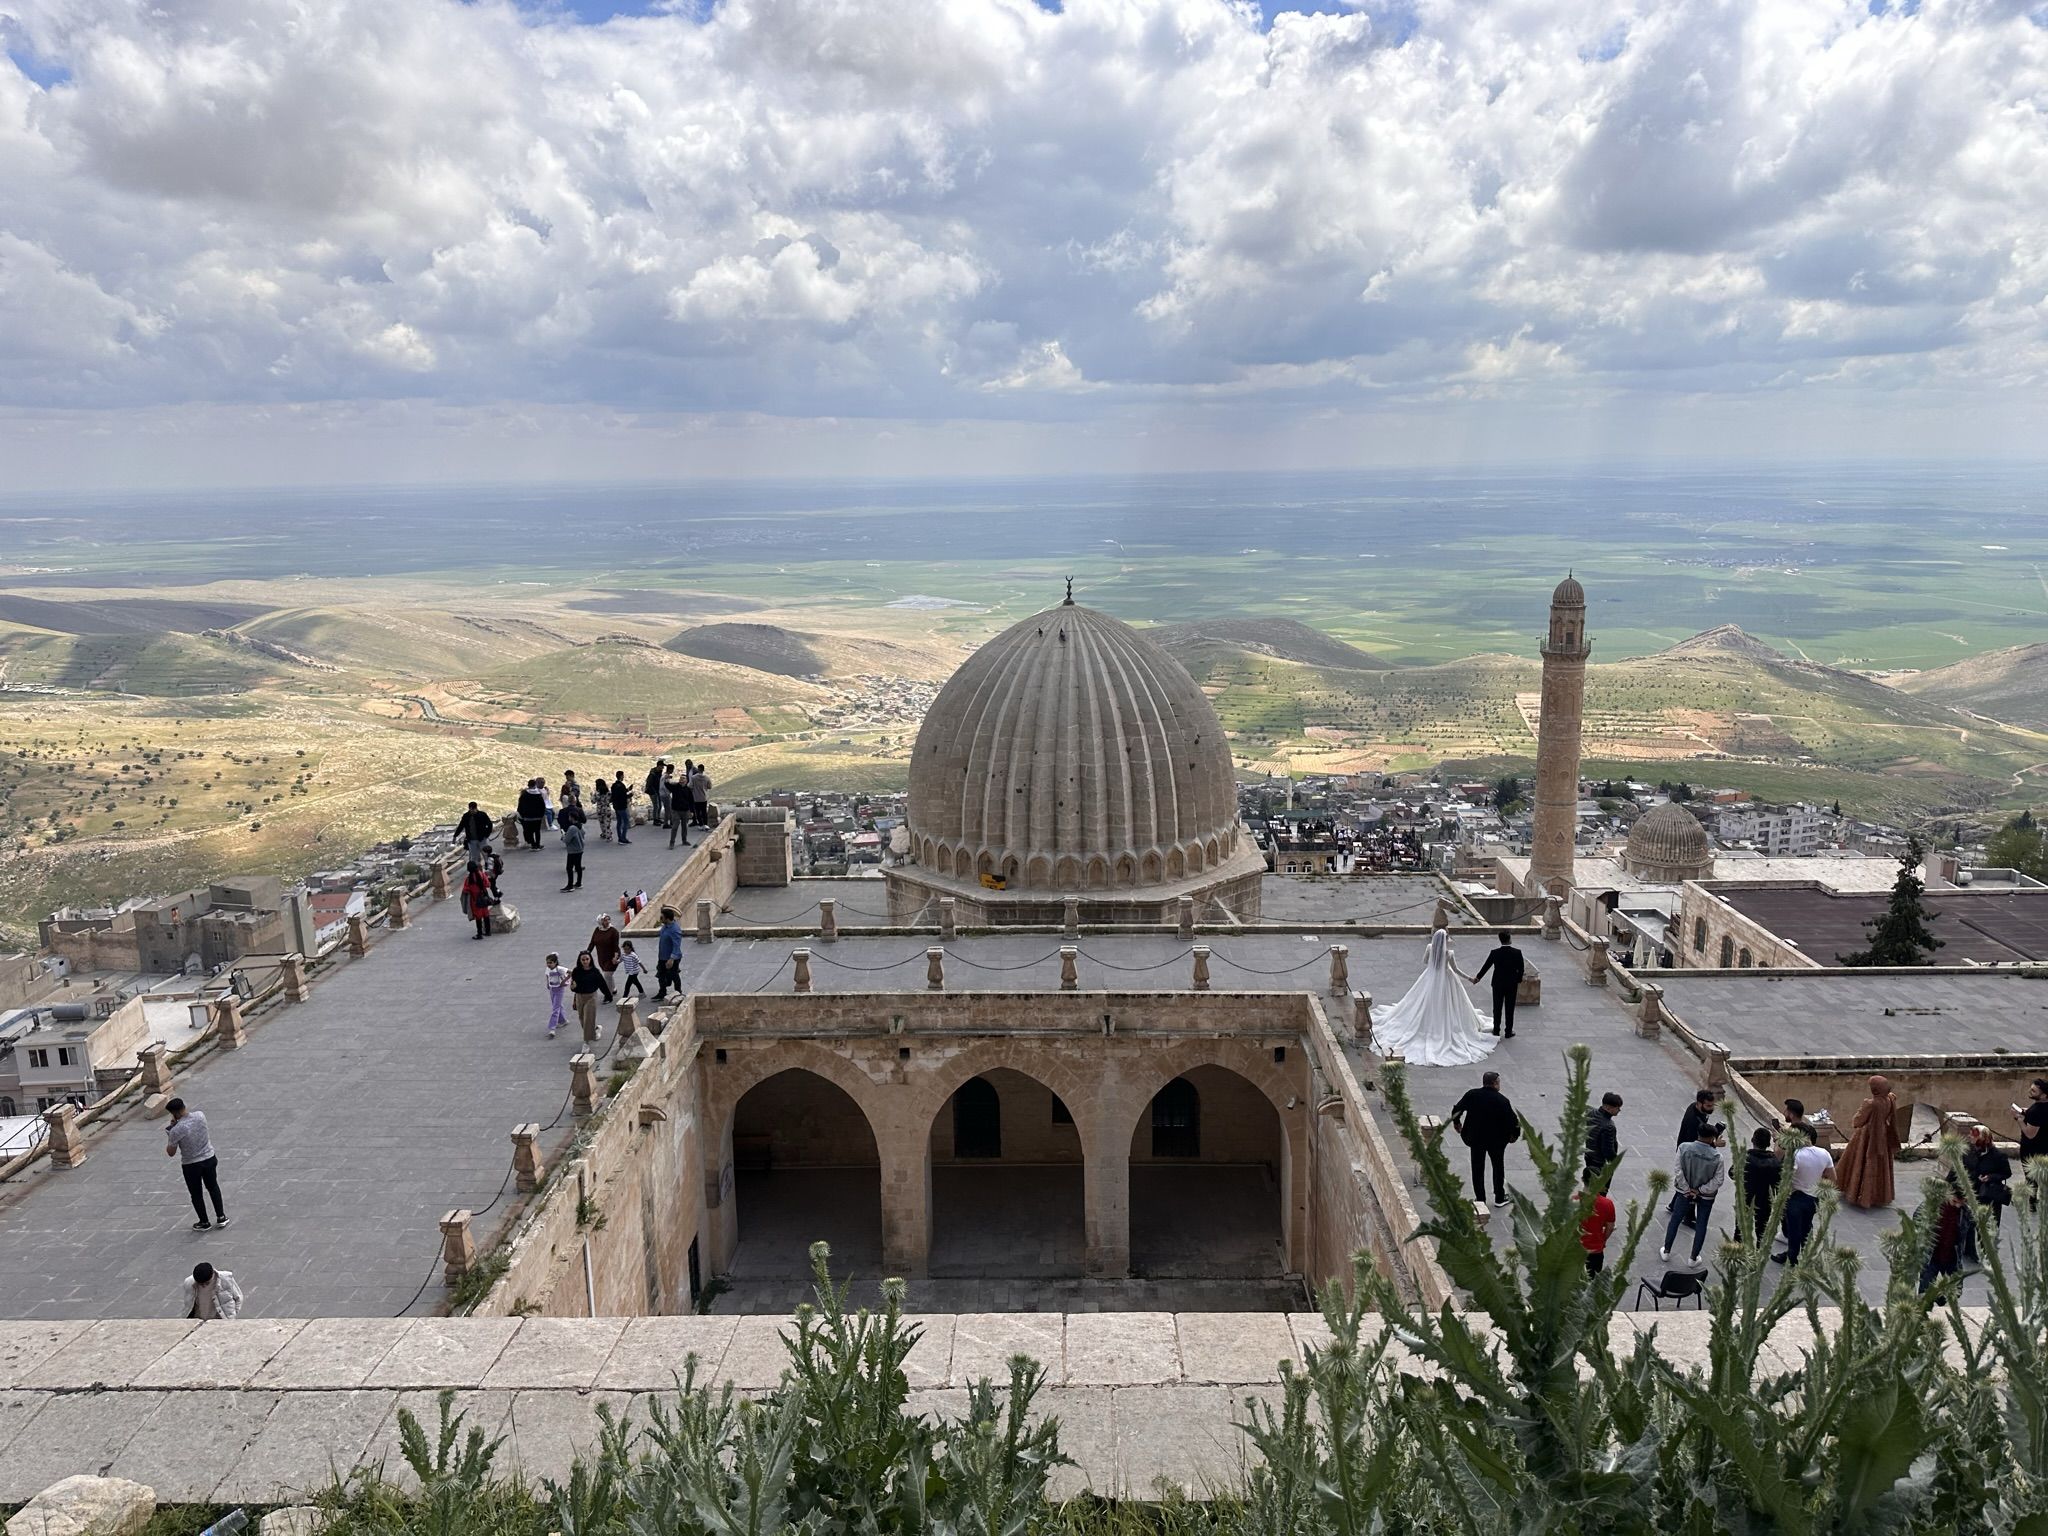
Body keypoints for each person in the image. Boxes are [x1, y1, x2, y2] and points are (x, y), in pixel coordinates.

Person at [1372, 930, 1498, 1067]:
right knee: (1449, 1005)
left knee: (1422, 1003)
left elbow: (1425, 961)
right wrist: (1470, 978)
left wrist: (1434, 963)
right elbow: (1456, 970)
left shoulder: (1429, 948)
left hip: (1429, 978)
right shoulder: (1449, 954)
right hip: (1447, 980)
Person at [1450, 1069, 1519, 1207]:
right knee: (1498, 1167)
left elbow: (1457, 1109)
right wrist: (1514, 1135)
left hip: (1476, 1139)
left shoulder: (1472, 1095)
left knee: (1477, 1168)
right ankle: (1499, 1197)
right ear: (1495, 1083)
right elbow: (1513, 1121)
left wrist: (1457, 1123)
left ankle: (1480, 1199)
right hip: (1497, 1141)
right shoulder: (1502, 1100)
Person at [1661, 1121, 1727, 1265]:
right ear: (1712, 1138)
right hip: (1706, 1196)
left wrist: (1686, 1189)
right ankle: (1693, 1257)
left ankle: (1666, 1250)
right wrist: (1701, 1190)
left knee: (1675, 1220)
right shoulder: (1717, 1157)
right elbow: (1718, 1180)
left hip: (1684, 1193)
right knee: (1701, 1225)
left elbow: (1678, 1171)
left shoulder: (1683, 1148)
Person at [1836, 1074, 1901, 1209]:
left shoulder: (1871, 1104)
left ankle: (1860, 1194)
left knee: (1862, 1163)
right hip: (1882, 1136)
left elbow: (1857, 1121)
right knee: (1880, 1165)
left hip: (1867, 1137)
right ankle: (1878, 1195)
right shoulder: (1890, 1099)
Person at [164, 1098, 228, 1231]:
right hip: (209, 1157)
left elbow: (171, 1152)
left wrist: (170, 1132)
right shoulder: (200, 1115)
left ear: (174, 1113)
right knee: (213, 1187)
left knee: (196, 1193)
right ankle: (221, 1217)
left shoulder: (176, 1130)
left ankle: (204, 1222)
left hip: (191, 1164)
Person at [1776, 1126, 1835, 1266]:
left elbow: (1787, 1178)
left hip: (1797, 1195)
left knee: (1794, 1228)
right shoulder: (1824, 1153)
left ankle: (1792, 1257)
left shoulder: (1796, 1155)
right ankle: (1807, 1253)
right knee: (1807, 1226)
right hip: (1814, 1197)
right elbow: (1832, 1178)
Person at [1468, 931, 1525, 1039]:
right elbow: (1521, 969)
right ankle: (1508, 1031)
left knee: (1497, 1007)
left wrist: (1478, 978)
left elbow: (1486, 966)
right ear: (1510, 939)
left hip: (1497, 983)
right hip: (1511, 984)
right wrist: (1518, 980)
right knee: (1510, 1008)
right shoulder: (1517, 952)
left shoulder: (1495, 953)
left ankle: (1496, 1030)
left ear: (1500, 940)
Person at [1919, 1180, 1969, 1293]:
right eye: (1955, 1201)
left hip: (1952, 1256)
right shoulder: (1931, 1206)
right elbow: (1917, 1222)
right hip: (1931, 1255)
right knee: (1924, 1291)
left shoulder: (1965, 1211)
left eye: (1962, 1202)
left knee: (1954, 1291)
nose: (1958, 1206)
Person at [1963, 1123, 2012, 1230]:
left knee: (1988, 1227)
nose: (1970, 1137)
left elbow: (2006, 1173)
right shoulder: (1968, 1151)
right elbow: (1960, 1168)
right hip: (1971, 1192)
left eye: (1973, 1135)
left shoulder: (1998, 1156)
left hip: (1989, 1196)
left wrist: (1990, 1177)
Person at [1742, 1127, 1782, 1243]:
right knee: (1762, 1231)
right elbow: (1778, 1182)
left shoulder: (1746, 1158)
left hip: (1745, 1197)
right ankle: (1760, 1250)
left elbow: (1732, 1173)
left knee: (1740, 1228)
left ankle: (1738, 1250)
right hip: (1765, 1201)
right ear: (1768, 1143)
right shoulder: (1775, 1162)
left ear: (1752, 1140)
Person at [1578, 1170, 1616, 1277]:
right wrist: (1602, 1240)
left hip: (1574, 1251)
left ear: (1582, 1179)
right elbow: (1610, 1227)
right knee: (1592, 1282)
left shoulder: (1573, 1201)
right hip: (1595, 1251)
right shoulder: (1607, 1204)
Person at [569, 951, 613, 1041]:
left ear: (590, 959)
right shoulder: (576, 971)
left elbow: (602, 984)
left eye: (587, 959)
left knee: (588, 1019)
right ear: (580, 960)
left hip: (591, 997)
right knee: (582, 1018)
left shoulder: (595, 972)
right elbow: (574, 986)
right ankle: (595, 1029)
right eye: (583, 960)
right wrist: (573, 988)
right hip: (579, 997)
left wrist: (608, 996)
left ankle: (586, 1042)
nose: (585, 961)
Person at [1585, 1091, 1623, 1183]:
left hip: (1588, 1156)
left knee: (1589, 1183)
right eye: (1617, 1108)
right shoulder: (1609, 1126)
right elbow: (1608, 1151)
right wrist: (1614, 1161)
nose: (1619, 1110)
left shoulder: (1591, 1113)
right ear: (1608, 1108)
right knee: (1601, 1187)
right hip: (1600, 1163)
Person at [2014, 1078, 2048, 1172]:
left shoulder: (2036, 1111)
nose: (2030, 1091)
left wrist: (2019, 1119)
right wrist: (2027, 1112)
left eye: (2033, 1091)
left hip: (2032, 1152)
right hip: (2044, 1149)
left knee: (2032, 1178)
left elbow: (2030, 1134)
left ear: (2044, 1095)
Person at [654, 907, 684, 1002]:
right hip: (662, 956)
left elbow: (676, 945)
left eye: (662, 917)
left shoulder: (674, 930)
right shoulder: (665, 926)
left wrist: (671, 959)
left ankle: (678, 992)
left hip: (670, 958)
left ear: (667, 918)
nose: (660, 919)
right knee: (661, 975)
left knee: (674, 975)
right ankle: (662, 992)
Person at [460, 860, 494, 939]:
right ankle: (488, 931)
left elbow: (465, 890)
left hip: (475, 900)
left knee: (478, 917)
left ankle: (479, 934)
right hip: (484, 897)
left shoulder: (469, 879)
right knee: (486, 914)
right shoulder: (482, 874)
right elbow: (488, 884)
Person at [560, 800, 586, 892]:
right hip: (580, 849)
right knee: (578, 867)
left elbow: (566, 840)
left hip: (573, 850)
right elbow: (583, 833)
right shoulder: (580, 826)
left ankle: (570, 885)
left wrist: (563, 836)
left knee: (569, 868)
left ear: (572, 818)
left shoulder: (572, 828)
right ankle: (579, 883)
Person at [588, 913, 623, 981]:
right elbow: (592, 943)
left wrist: (615, 957)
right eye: (605, 920)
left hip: (612, 957)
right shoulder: (597, 930)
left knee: (607, 975)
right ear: (600, 922)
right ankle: (612, 987)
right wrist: (587, 953)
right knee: (608, 976)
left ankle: (608, 988)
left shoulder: (613, 931)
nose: (608, 922)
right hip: (602, 957)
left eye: (608, 920)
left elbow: (616, 946)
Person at [544, 953, 570, 1039]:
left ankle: (552, 1028)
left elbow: (571, 972)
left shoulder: (560, 969)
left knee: (555, 1009)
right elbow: (547, 975)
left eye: (550, 962)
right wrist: (547, 983)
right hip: (552, 989)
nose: (549, 964)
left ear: (555, 962)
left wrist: (564, 981)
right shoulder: (548, 969)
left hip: (559, 989)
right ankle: (563, 1020)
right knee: (557, 1005)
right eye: (547, 962)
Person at [516, 779, 547, 849]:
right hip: (538, 817)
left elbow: (520, 806)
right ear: (535, 785)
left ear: (528, 785)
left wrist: (522, 815)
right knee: (537, 831)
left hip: (527, 817)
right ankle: (538, 844)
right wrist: (542, 814)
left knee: (529, 831)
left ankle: (533, 845)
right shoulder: (538, 794)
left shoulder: (524, 795)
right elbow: (542, 806)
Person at [610, 772, 633, 844]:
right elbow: (623, 796)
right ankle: (623, 838)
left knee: (619, 822)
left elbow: (617, 794)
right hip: (622, 806)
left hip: (616, 806)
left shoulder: (614, 785)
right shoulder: (621, 786)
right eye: (623, 776)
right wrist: (629, 795)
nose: (623, 777)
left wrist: (628, 789)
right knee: (626, 821)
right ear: (621, 776)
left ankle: (620, 837)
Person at [646, 760, 669, 829]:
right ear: (659, 766)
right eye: (662, 766)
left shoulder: (659, 772)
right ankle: (655, 820)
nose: (663, 768)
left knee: (659, 805)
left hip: (657, 791)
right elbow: (650, 785)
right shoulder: (652, 774)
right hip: (653, 792)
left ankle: (658, 818)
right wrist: (654, 792)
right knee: (656, 806)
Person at [690, 763, 711, 827]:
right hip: (704, 797)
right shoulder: (707, 777)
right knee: (704, 811)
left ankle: (701, 824)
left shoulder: (693, 777)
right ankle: (705, 824)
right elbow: (709, 786)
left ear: (698, 769)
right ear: (703, 770)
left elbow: (690, 786)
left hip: (696, 797)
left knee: (697, 812)